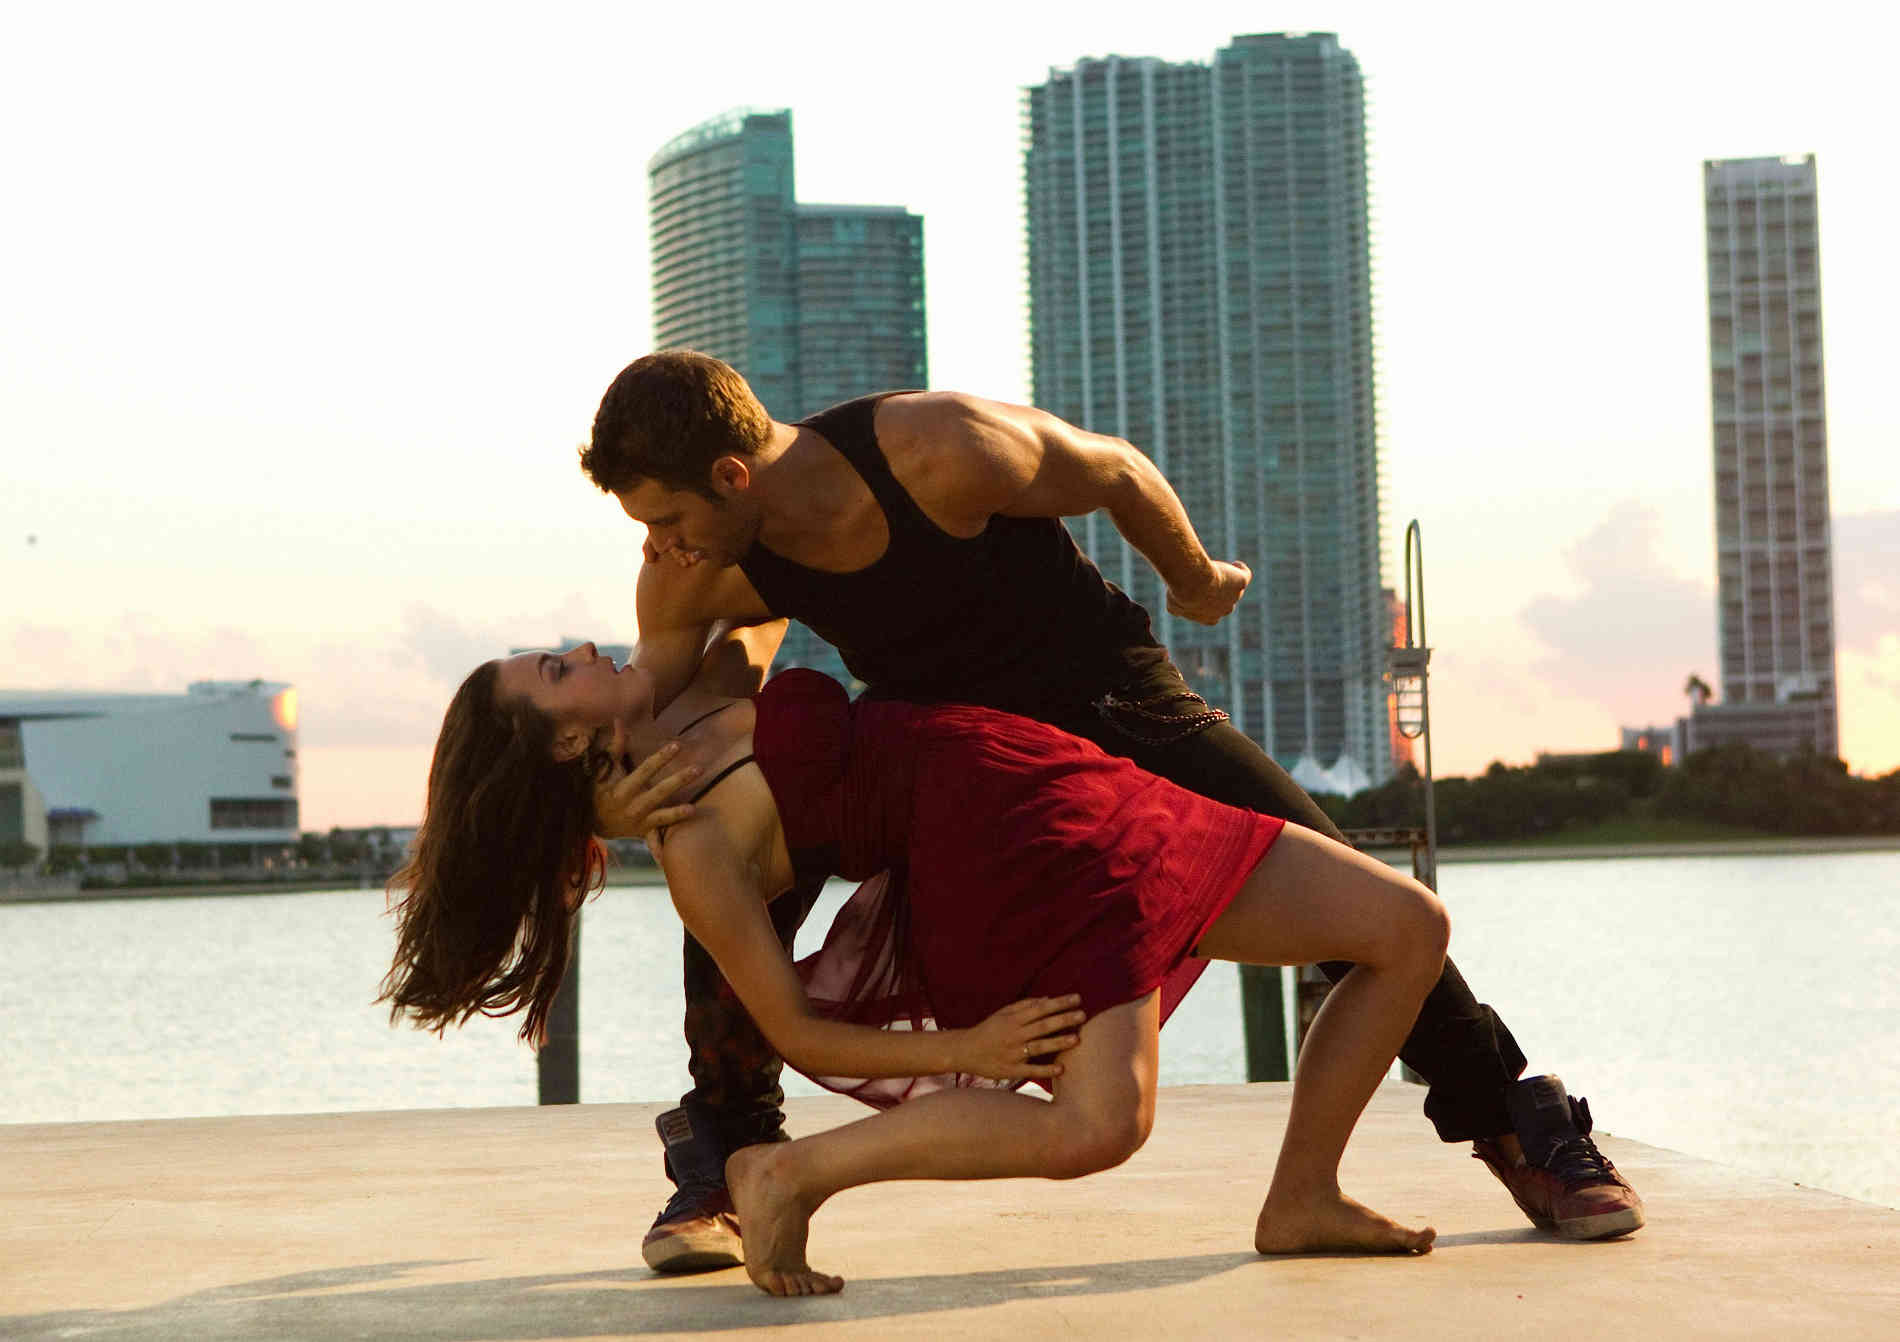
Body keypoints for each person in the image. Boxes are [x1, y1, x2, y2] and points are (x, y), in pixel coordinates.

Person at [582, 351, 1644, 1266]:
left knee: (1357, 899)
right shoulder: (696, 564)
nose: (655, 545)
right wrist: (627, 791)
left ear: (732, 475)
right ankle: (724, 1150)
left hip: (1113, 702)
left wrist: (1191, 576)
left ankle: (1514, 1123)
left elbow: (1119, 471)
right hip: (961, 764)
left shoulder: (938, 448)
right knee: (723, 846)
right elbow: (652, 711)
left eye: (665, 517)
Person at [382, 637, 1455, 1296]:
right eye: (555, 672)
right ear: (563, 745)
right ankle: (785, 1171)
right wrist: (969, 1048)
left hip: (1035, 770)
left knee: (1405, 928)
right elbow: (794, 1030)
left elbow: (738, 578)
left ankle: (1303, 1195)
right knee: (1101, 1126)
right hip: (1000, 863)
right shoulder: (693, 846)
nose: (579, 649)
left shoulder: (686, 678)